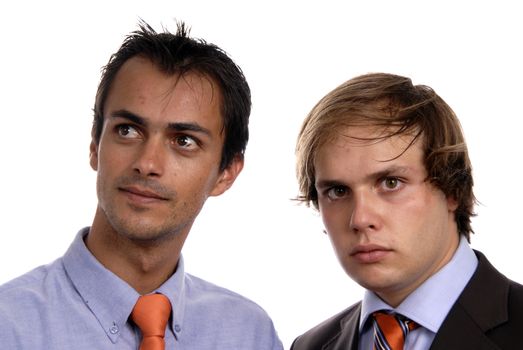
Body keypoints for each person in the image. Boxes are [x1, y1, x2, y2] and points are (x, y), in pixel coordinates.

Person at [0, 21, 282, 350]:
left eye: (184, 140)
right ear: (95, 145)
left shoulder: (250, 335)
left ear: (227, 173)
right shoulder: (8, 325)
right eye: (127, 130)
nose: (147, 163)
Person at [291, 73, 523, 349]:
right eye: (338, 191)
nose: (361, 219)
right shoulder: (309, 346)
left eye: (391, 183)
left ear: (453, 189)